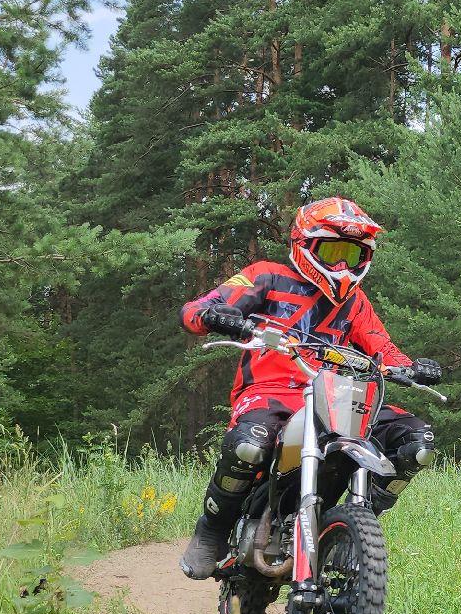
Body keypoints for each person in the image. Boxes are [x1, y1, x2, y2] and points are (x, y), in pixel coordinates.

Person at [176, 196, 441, 579]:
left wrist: (412, 368)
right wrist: (216, 315)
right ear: (304, 244)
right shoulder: (266, 276)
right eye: (332, 251)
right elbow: (198, 308)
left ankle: (355, 526)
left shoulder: (355, 302)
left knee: (418, 444)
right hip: (271, 391)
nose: (341, 266)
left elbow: (382, 350)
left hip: (337, 397)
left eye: (351, 255)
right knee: (249, 445)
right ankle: (212, 529)